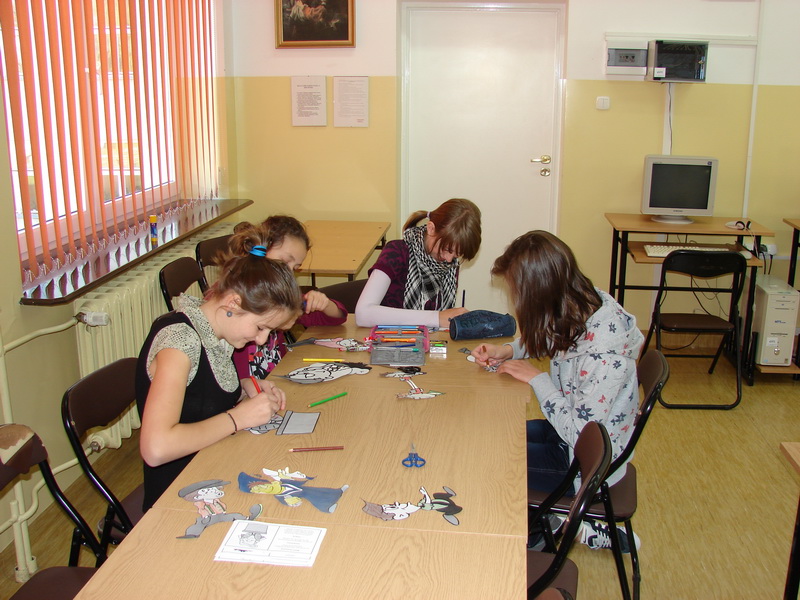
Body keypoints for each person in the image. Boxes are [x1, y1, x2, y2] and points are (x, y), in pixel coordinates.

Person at [470, 230, 644, 552]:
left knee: (491, 460)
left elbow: (581, 435)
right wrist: (508, 350)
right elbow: (554, 335)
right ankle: (553, 519)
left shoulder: (605, 358)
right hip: (566, 430)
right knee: (494, 435)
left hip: (586, 462)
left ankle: (548, 528)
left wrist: (538, 380)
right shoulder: (581, 303)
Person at [136, 222, 303, 512]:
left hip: (215, 464)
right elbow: (156, 448)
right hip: (180, 494)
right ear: (233, 303)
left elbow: (198, 396)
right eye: (261, 327)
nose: (261, 340)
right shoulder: (179, 343)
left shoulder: (218, 331)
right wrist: (238, 418)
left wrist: (244, 388)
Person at [232, 216, 347, 393]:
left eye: (295, 267)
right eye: (285, 262)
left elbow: (337, 318)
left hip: (277, 383)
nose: (289, 273)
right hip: (247, 395)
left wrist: (324, 304)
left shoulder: (278, 295)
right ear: (260, 249)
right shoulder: (233, 300)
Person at [355, 198, 481, 328]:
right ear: (431, 228)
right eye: (446, 249)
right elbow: (363, 314)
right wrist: (436, 317)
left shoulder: (449, 264)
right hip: (391, 339)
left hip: (430, 339)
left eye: (457, 254)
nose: (449, 259)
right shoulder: (396, 252)